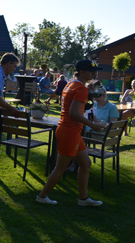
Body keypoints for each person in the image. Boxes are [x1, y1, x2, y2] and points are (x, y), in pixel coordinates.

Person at [36, 60, 105, 206]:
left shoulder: (71, 84)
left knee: (85, 163)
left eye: (95, 71)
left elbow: (74, 101)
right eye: (91, 71)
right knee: (60, 168)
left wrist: (89, 93)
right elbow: (74, 112)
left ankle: (83, 199)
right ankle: (42, 196)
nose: (94, 73)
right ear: (81, 71)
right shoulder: (80, 88)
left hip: (70, 131)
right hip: (70, 131)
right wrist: (92, 124)